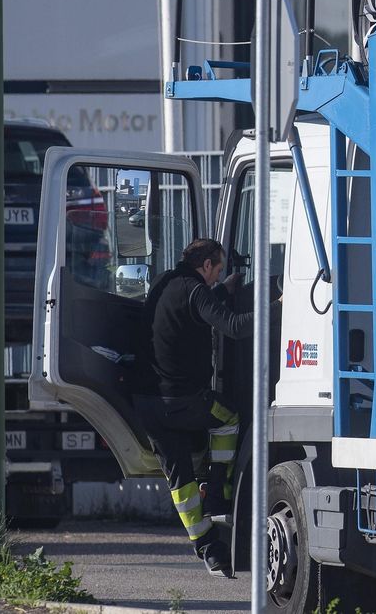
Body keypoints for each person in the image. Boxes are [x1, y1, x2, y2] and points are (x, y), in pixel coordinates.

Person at [135, 238, 252, 577]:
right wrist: (279, 305)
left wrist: (224, 291)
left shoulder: (165, 283)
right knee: (228, 418)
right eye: (217, 270)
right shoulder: (197, 289)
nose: (217, 277)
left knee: (180, 482)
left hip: (148, 406)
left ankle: (209, 550)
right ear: (206, 266)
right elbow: (233, 326)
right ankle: (217, 494)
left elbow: (190, 308)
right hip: (184, 402)